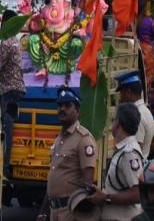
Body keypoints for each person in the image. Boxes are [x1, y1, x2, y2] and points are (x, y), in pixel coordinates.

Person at [37, 87, 97, 221]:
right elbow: (54, 178)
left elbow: (88, 183)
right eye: (59, 105)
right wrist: (43, 211)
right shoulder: (59, 138)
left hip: (71, 212)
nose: (62, 109)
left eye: (67, 105)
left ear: (77, 110)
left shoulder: (84, 139)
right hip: (54, 211)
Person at [88, 103, 143, 220]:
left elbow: (137, 194)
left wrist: (105, 197)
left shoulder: (129, 153)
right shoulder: (123, 150)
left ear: (118, 124)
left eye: (113, 120)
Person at [0, 9, 25, 177]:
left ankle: (3, 168)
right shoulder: (16, 42)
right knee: (8, 126)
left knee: (4, 128)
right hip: (17, 89)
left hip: (8, 89)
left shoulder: (6, 44)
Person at [115, 71, 154, 160]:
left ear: (128, 92)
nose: (120, 98)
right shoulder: (143, 110)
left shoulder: (137, 114)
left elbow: (135, 150)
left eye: (122, 93)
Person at [136, 0, 154, 91]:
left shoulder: (135, 20)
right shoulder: (150, 21)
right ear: (144, 9)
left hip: (137, 49)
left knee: (139, 72)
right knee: (148, 74)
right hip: (148, 51)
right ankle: (146, 94)